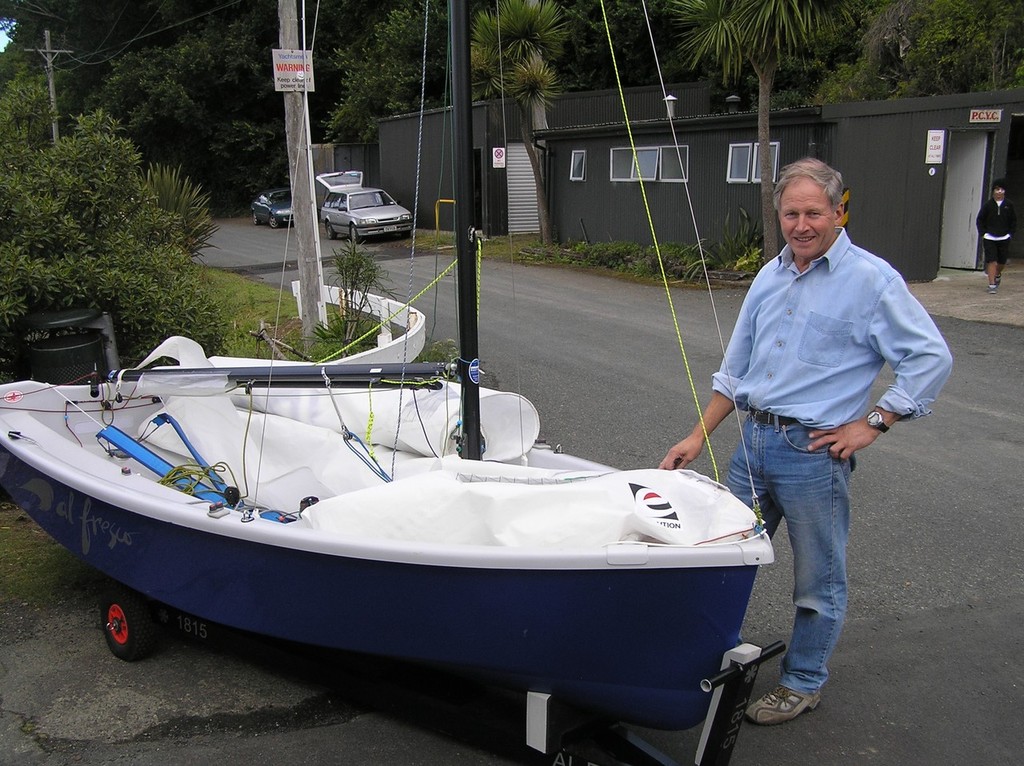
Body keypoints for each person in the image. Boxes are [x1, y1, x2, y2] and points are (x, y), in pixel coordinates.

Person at [659, 158, 953, 726]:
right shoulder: (769, 276)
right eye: (790, 213)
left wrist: (875, 421)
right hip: (752, 447)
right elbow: (735, 371)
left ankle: (802, 681)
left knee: (817, 580)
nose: (801, 224)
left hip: (812, 456)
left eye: (813, 212)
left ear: (839, 211)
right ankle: (700, 662)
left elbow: (930, 357)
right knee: (718, 557)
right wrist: (698, 436)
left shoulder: (871, 281)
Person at [976, 179, 1016, 293]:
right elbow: (980, 220)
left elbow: (1013, 221)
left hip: (1004, 237)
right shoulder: (988, 205)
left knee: (1001, 262)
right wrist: (983, 234)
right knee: (992, 260)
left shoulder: (1009, 205)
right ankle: (992, 284)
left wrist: (1010, 234)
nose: (999, 192)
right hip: (990, 237)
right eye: (997, 189)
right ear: (993, 191)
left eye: (1001, 189)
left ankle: (998, 274)